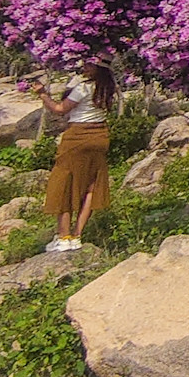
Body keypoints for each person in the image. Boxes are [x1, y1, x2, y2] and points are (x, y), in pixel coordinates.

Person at [38, 60, 113, 253]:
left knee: (64, 183)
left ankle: (64, 236)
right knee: (90, 187)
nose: (85, 68)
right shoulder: (108, 87)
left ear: (98, 69)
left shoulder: (83, 88)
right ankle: (77, 235)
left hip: (77, 136)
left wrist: (42, 94)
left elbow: (60, 109)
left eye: (89, 65)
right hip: (100, 136)